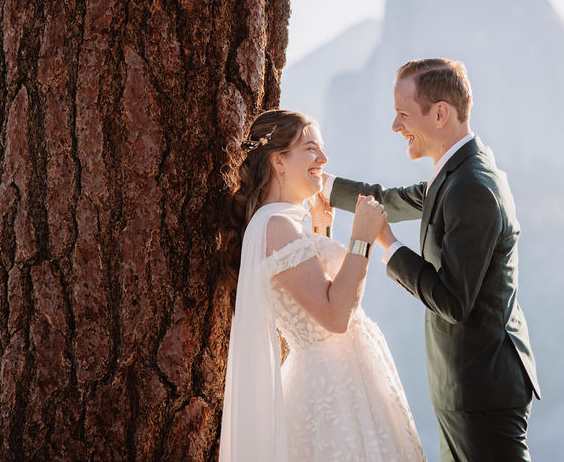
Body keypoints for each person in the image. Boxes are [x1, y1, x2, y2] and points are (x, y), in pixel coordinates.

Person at [323, 58, 541, 462]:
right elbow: (385, 199)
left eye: (403, 114)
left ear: (440, 113)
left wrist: (386, 241)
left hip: (482, 390)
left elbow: (454, 302)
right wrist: (321, 185)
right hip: (467, 386)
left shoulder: (472, 187)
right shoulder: (455, 174)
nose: (395, 126)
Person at [219, 109, 425, 461]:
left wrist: (321, 232)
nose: (324, 159)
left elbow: (314, 293)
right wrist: (362, 237)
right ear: (279, 161)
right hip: (331, 389)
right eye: (311, 148)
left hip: (342, 379)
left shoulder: (282, 223)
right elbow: (333, 316)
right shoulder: (275, 224)